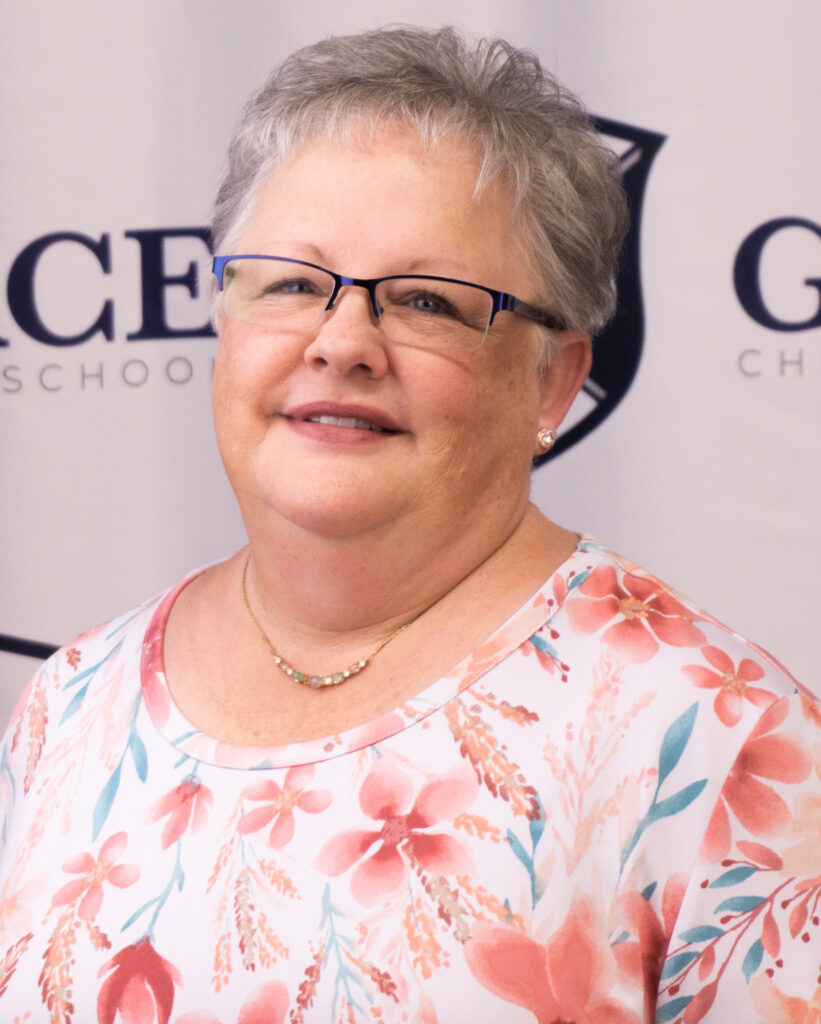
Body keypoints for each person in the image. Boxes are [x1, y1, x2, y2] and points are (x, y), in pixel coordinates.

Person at [0, 24, 818, 1024]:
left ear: (553, 380)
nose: (340, 342)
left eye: (427, 301)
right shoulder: (74, 701)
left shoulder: (720, 742)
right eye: (291, 283)